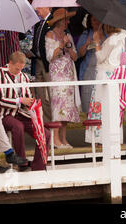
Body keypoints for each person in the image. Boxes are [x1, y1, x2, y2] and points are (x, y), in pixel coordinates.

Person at [0, 51, 51, 171]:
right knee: (18, 126)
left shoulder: (24, 77)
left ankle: (38, 166)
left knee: (45, 133)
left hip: (21, 113)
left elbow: (27, 97)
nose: (19, 71)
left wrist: (34, 107)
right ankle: (22, 163)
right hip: (4, 114)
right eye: (17, 69)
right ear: (10, 63)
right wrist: (19, 101)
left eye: (21, 69)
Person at [45, 8, 81, 149]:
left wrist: (68, 45)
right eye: (66, 20)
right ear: (60, 22)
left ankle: (64, 139)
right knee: (58, 107)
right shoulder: (50, 35)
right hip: (57, 76)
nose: (68, 22)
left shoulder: (68, 36)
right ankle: (55, 139)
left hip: (68, 75)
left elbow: (75, 56)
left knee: (67, 108)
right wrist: (60, 46)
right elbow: (50, 57)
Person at [87, 24, 126, 144]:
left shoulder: (111, 40)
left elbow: (100, 57)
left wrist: (96, 43)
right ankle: (113, 136)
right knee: (112, 106)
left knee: (101, 105)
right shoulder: (120, 38)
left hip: (104, 75)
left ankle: (100, 138)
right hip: (113, 76)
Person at [77, 14, 107, 115]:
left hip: (103, 70)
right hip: (89, 71)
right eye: (94, 20)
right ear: (90, 21)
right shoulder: (86, 34)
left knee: (103, 99)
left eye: (98, 20)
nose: (96, 22)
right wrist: (87, 43)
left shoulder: (107, 35)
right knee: (88, 98)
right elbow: (79, 54)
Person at [31, 6, 53, 123]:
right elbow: (37, 41)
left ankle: (50, 121)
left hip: (47, 63)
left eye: (40, 7)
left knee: (49, 93)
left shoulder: (52, 21)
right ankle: (43, 120)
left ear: (47, 7)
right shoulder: (39, 23)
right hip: (37, 60)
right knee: (40, 93)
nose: (37, 10)